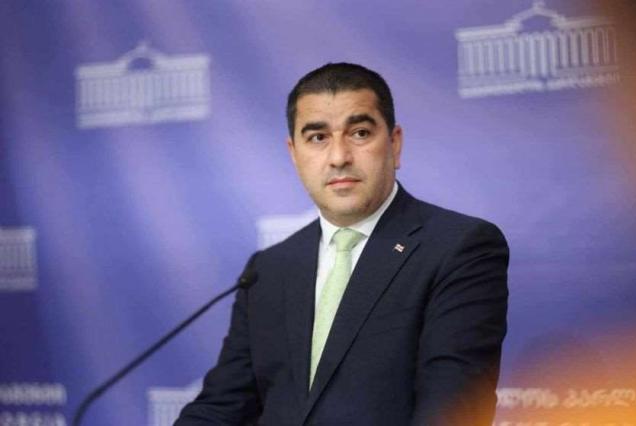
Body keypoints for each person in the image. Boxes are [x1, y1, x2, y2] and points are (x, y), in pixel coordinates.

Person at [175, 63, 509, 425]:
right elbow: (222, 407)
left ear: (395, 144)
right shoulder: (268, 269)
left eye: (360, 133)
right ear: (294, 154)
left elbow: (453, 412)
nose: (339, 157)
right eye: (318, 138)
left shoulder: (458, 248)